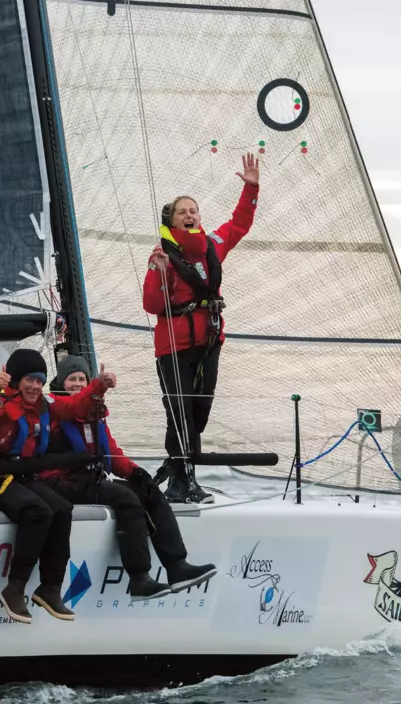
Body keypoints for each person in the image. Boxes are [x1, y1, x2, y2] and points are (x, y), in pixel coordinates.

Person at [0, 348, 116, 624]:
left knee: (62, 509)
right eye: (29, 380)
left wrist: (98, 386)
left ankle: (50, 588)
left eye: (40, 381)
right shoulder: (0, 405)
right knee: (37, 511)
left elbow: (76, 406)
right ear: (17, 381)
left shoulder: (46, 405)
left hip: (20, 477)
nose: (35, 386)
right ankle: (15, 588)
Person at [43, 356, 216, 599]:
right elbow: (75, 407)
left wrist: (136, 472)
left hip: (90, 480)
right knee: (125, 498)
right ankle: (139, 578)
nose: (78, 383)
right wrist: (98, 386)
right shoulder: (52, 407)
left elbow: (111, 454)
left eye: (82, 378)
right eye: (72, 379)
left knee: (148, 490)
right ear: (60, 382)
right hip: (61, 483)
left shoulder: (94, 413)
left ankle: (177, 566)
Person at [144, 153, 260, 503]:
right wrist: (159, 272)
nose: (190, 214)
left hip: (209, 341)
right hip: (173, 346)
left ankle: (178, 473)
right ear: (172, 219)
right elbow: (151, 305)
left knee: (199, 411)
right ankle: (183, 482)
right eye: (183, 211)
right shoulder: (162, 253)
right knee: (178, 412)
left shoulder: (213, 246)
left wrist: (252, 189)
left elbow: (239, 223)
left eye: (193, 210)